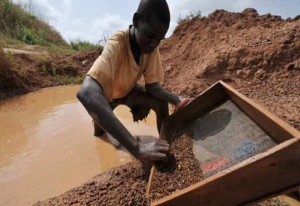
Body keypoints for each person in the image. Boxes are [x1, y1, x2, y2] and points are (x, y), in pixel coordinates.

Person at [77, 0, 191, 162]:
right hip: (108, 95)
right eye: (150, 36)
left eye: (159, 40)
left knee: (160, 103)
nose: (154, 44)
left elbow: (152, 87)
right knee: (100, 132)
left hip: (130, 91)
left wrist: (177, 100)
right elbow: (86, 92)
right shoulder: (117, 44)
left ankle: (166, 145)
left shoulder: (151, 48)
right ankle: (105, 140)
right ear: (136, 21)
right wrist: (137, 148)